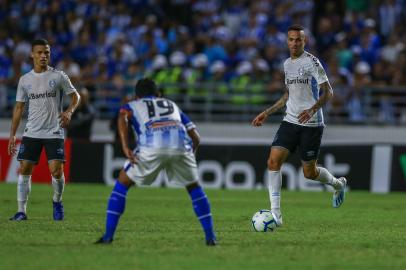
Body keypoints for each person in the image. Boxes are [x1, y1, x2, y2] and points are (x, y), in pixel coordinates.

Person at [95, 78, 217, 246]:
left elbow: (122, 115)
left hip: (151, 146)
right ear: (158, 94)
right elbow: (196, 136)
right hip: (181, 146)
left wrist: (124, 146)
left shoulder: (133, 104)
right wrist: (190, 153)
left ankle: (108, 237)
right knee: (194, 188)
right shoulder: (172, 105)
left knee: (122, 184)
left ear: (137, 96)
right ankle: (211, 238)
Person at [252, 25, 347, 226]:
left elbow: (328, 92)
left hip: (311, 123)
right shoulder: (287, 64)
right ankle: (276, 215)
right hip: (290, 120)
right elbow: (288, 95)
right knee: (273, 161)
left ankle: (338, 185)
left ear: (304, 42)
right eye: (291, 39)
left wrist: (312, 110)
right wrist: (266, 113)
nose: (294, 43)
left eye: (298, 40)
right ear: (287, 41)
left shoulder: (312, 62)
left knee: (309, 173)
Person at [7, 39, 80, 221]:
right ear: (32, 54)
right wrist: (12, 135)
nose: (43, 56)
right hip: (32, 132)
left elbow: (76, 96)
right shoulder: (25, 80)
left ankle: (57, 201)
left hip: (54, 131)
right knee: (24, 169)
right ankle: (21, 211)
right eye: (39, 52)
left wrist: (69, 111)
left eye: (46, 52)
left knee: (56, 171)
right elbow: (18, 108)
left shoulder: (59, 76)